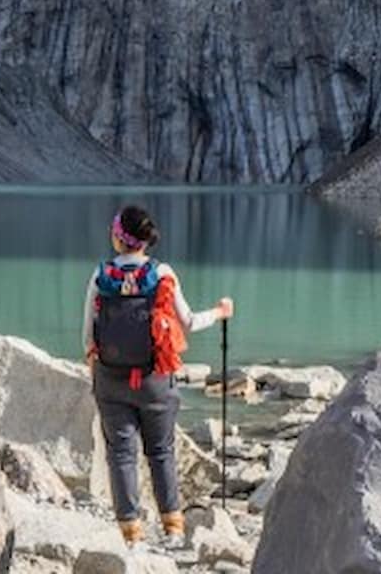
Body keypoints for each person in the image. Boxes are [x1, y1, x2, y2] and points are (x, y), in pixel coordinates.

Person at [82, 203, 234, 548]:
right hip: (156, 379)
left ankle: (131, 535)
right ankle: (174, 530)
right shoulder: (162, 273)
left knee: (121, 454)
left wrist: (98, 368)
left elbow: (88, 335)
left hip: (111, 378)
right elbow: (189, 322)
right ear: (144, 242)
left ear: (120, 238)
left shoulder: (101, 275)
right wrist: (221, 312)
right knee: (161, 451)